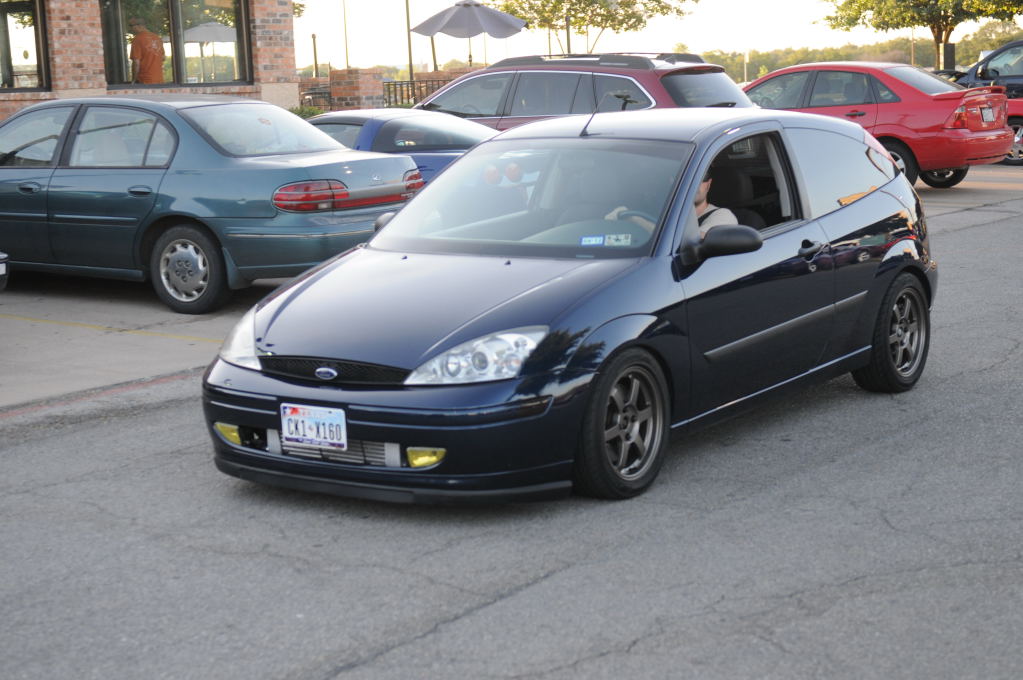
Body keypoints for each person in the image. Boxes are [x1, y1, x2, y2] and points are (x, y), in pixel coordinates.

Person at [694, 172, 737, 238]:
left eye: (700, 178)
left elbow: (696, 239)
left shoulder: (723, 215)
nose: (692, 184)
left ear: (708, 184)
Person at [128, 17, 165, 84]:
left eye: (131, 26)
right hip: (159, 80)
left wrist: (134, 80)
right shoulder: (157, 38)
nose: (130, 29)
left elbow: (136, 63)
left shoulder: (137, 39)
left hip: (144, 80)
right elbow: (163, 58)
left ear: (139, 26)